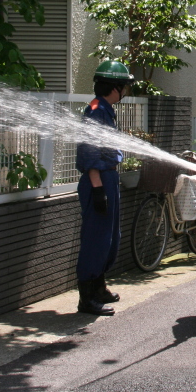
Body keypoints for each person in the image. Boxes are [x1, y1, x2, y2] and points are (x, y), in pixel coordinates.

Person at [75, 60, 135, 316]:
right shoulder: (96, 110)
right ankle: (87, 298)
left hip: (108, 177)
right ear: (115, 87)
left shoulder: (105, 109)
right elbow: (89, 151)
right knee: (96, 238)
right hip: (98, 180)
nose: (126, 91)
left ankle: (99, 286)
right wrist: (98, 188)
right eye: (125, 86)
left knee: (109, 237)